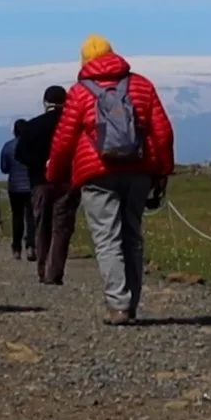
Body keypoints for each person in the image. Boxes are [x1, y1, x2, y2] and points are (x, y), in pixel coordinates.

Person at [47, 35, 175, 326]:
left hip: (96, 172)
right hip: (139, 168)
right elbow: (163, 132)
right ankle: (132, 303)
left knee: (107, 238)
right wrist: (163, 170)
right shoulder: (141, 85)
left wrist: (55, 174)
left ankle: (118, 304)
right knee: (132, 235)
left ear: (85, 61)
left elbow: (64, 139)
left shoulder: (79, 92)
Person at [17, 85, 72, 281]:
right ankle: (54, 271)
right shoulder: (71, 126)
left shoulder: (32, 126)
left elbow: (20, 154)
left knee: (42, 226)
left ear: (45, 102)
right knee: (61, 227)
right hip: (66, 181)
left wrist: (41, 164)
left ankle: (42, 268)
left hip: (40, 181)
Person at [0, 119, 35, 261]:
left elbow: (4, 168)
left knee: (17, 217)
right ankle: (31, 246)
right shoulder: (32, 145)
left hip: (14, 186)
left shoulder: (8, 146)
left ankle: (16, 248)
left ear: (14, 131)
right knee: (31, 217)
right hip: (30, 185)